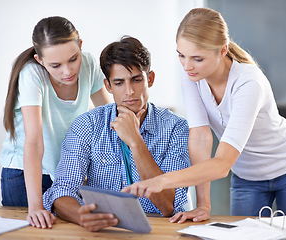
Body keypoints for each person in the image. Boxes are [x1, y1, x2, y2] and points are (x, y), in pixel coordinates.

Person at [122, 7, 286, 223]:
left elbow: (222, 163)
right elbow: (200, 137)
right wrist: (203, 204)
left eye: (197, 58)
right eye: (181, 55)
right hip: (247, 178)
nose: (187, 65)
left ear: (222, 51)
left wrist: (161, 181)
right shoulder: (191, 74)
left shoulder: (248, 82)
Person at [43, 36, 190, 232]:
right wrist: (81, 216)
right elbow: (62, 190)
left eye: (137, 80)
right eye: (119, 83)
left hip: (160, 231)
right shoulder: (87, 125)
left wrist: (136, 142)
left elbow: (168, 206)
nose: (129, 91)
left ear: (150, 79)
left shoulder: (176, 127)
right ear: (108, 86)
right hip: (105, 230)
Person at [0, 16, 110, 229]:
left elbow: (108, 119)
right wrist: (35, 206)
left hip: (64, 174)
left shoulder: (89, 64)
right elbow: (33, 142)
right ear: (40, 61)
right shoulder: (32, 74)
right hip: (25, 175)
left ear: (80, 46)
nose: (67, 71)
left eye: (73, 59)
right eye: (55, 65)